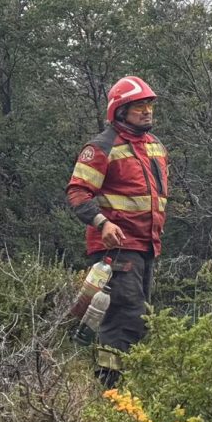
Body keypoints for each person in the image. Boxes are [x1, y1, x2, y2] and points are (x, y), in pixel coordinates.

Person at [66, 76, 169, 386]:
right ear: (120, 110)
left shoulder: (155, 146)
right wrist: (103, 223)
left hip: (146, 247)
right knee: (126, 316)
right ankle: (109, 387)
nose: (147, 111)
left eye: (149, 105)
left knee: (141, 318)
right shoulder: (101, 147)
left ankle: (127, 384)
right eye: (139, 105)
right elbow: (77, 193)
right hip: (116, 249)